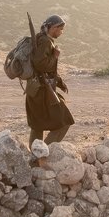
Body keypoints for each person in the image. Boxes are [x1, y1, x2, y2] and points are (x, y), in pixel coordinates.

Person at [26, 14, 75, 146]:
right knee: (65, 121)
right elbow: (40, 64)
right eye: (60, 29)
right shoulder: (45, 41)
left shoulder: (39, 38)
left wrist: (59, 82)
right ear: (53, 28)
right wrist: (55, 56)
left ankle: (36, 154)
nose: (61, 32)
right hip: (42, 91)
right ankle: (44, 150)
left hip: (34, 89)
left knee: (37, 125)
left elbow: (45, 69)